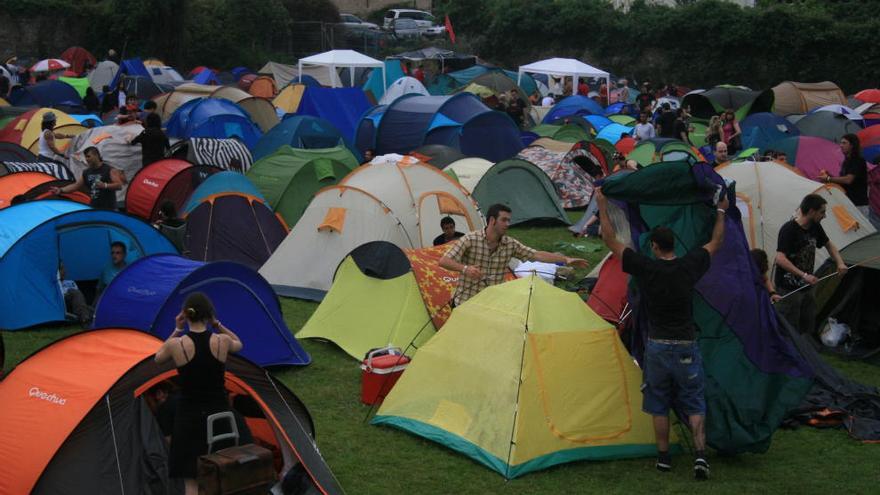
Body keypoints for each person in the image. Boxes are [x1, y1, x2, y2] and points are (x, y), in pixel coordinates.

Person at [597, 188, 728, 481]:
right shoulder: (689, 266)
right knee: (694, 402)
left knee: (659, 403)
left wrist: (602, 205)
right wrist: (721, 210)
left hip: (657, 347)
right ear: (673, 246)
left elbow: (610, 240)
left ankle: (664, 458)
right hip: (686, 346)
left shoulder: (647, 268)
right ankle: (700, 456)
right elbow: (716, 242)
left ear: (655, 246)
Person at [154, 292, 243, 495]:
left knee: (191, 481)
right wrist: (217, 324)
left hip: (189, 417)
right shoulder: (221, 341)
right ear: (208, 315)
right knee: (217, 473)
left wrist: (177, 329)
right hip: (219, 414)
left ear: (186, 315)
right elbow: (239, 343)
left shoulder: (177, 345)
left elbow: (158, 358)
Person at [439, 204, 589, 306]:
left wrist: (566, 259)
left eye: (509, 220)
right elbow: (444, 261)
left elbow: (536, 255)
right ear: (492, 220)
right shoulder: (470, 239)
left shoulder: (510, 244)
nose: (508, 224)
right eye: (504, 220)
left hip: (491, 302)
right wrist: (466, 269)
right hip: (466, 301)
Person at [774, 194, 848, 336]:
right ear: (811, 211)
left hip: (807, 287)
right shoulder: (789, 229)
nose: (824, 216)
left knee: (807, 323)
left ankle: (806, 353)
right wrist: (804, 275)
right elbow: (780, 259)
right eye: (822, 212)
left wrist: (840, 262)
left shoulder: (815, 227)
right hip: (789, 289)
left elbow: (828, 244)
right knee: (789, 328)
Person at [50, 146, 126, 210]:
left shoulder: (109, 169)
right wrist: (60, 190)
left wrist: (105, 185)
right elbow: (75, 186)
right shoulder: (86, 172)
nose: (86, 159)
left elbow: (119, 185)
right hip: (94, 208)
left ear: (96, 155)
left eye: (88, 156)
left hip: (110, 209)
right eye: (85, 157)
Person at [819, 134, 869, 216]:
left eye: (844, 143)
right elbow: (844, 180)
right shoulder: (846, 161)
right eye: (841, 143)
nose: (841, 145)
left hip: (858, 204)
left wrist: (829, 178)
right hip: (848, 202)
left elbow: (848, 180)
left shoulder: (858, 160)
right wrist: (829, 176)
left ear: (852, 145)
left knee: (861, 228)